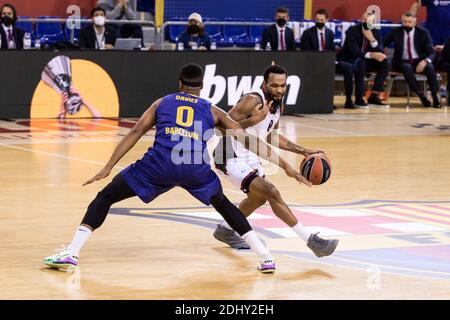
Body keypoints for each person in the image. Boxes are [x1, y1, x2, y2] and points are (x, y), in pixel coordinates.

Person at [43, 63, 307, 274]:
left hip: (159, 165)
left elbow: (136, 131)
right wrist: (260, 129)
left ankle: (72, 253)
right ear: (202, 87)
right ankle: (265, 257)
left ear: (179, 84)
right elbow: (246, 138)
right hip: (194, 167)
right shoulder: (211, 109)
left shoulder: (163, 102)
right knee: (225, 205)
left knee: (106, 197)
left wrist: (108, 166)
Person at [212, 64, 339, 258]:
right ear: (264, 84)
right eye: (274, 85)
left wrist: (303, 151)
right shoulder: (251, 100)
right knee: (271, 192)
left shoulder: (278, 104)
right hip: (228, 154)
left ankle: (226, 229)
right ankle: (311, 241)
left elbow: (271, 136)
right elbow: (220, 128)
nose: (279, 90)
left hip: (250, 155)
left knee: (258, 198)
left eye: (283, 85)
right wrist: (251, 121)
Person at [383, 12, 440, 108]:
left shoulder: (423, 33)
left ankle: (435, 97)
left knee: (430, 68)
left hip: (419, 60)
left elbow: (431, 52)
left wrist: (425, 61)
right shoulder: (396, 32)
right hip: (402, 61)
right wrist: (378, 52)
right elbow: (382, 43)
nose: (407, 24)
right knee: (406, 67)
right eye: (404, 22)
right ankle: (421, 96)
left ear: (415, 22)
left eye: (409, 22)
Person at [301, 9, 355, 109]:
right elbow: (306, 52)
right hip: (314, 62)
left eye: (322, 20)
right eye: (317, 20)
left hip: (329, 61)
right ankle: (326, 102)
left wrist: (333, 58)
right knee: (324, 71)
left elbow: (331, 49)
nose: (319, 22)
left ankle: (348, 100)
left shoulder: (329, 33)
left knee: (348, 67)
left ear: (326, 20)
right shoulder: (307, 33)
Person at [337, 11, 390, 108]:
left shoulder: (375, 32)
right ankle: (359, 99)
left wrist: (372, 39)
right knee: (361, 63)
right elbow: (354, 52)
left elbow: (381, 50)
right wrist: (372, 54)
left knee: (385, 63)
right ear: (361, 20)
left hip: (366, 59)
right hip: (350, 59)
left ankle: (373, 96)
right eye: (364, 20)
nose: (366, 23)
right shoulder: (352, 30)